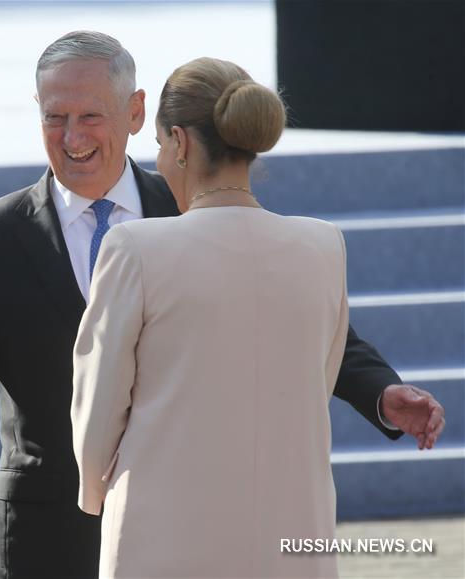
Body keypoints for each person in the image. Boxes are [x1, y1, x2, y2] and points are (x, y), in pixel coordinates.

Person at [0, 32, 444, 578]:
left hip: (179, 530)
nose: (71, 137)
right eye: (54, 117)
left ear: (136, 112)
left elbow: (296, 317)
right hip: (45, 536)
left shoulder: (194, 209)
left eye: (90, 115)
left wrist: (379, 390)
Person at [70, 57, 446, 578]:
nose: (159, 161)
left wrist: (94, 493)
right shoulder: (322, 245)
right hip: (293, 539)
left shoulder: (133, 247)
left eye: (159, 145)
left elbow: (100, 400)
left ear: (179, 142)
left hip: (162, 534)